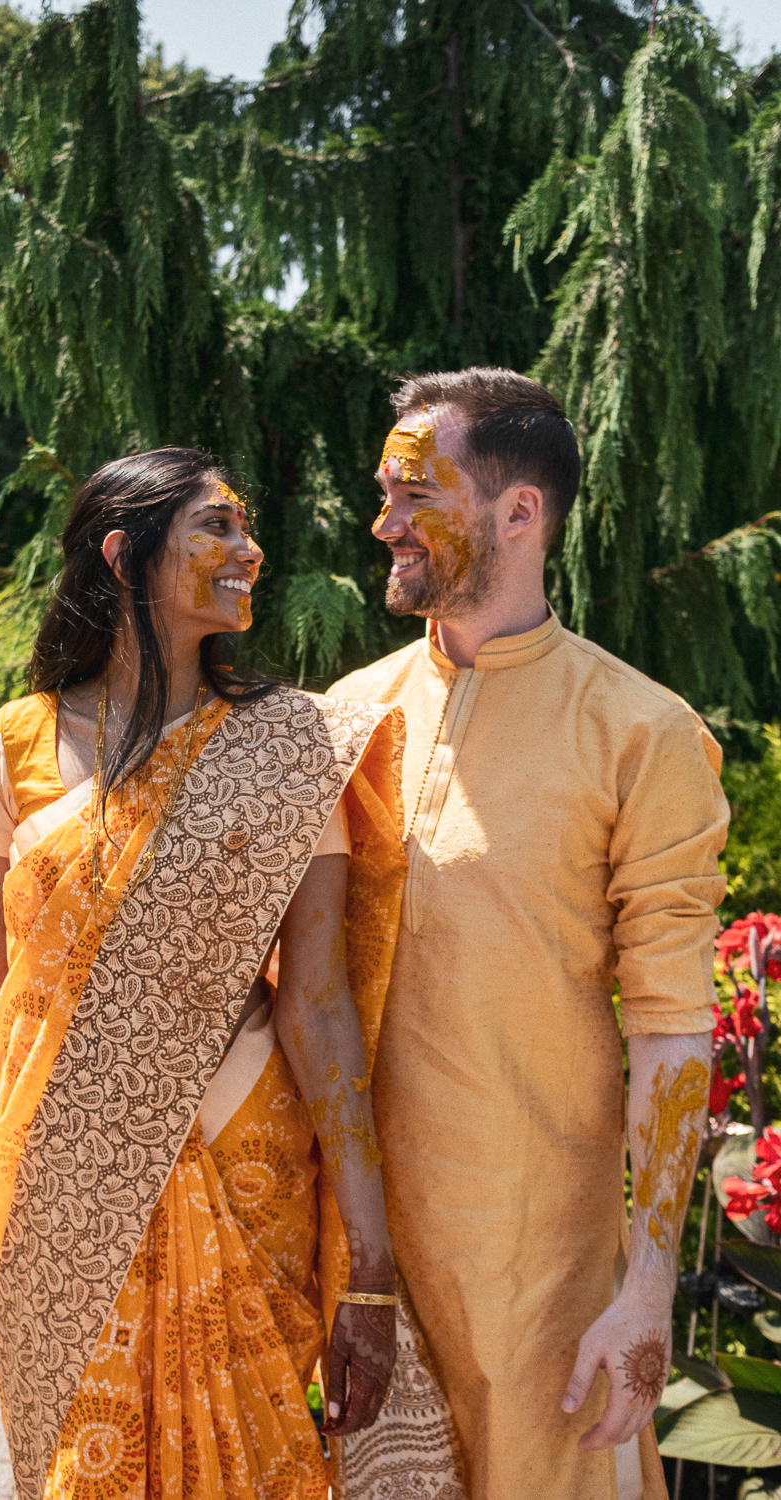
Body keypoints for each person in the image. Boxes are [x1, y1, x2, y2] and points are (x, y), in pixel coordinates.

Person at [0, 448, 408, 1500]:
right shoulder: (18, 744)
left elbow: (320, 1004)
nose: (250, 550)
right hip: (61, 1181)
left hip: (243, 1165)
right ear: (121, 551)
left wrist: (368, 1270)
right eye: (218, 526)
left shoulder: (291, 748)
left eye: (246, 528)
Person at [328, 371, 729, 1500]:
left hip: (540, 1283)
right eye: (383, 494)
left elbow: (671, 1028)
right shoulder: (343, 717)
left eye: (416, 495)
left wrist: (646, 1286)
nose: (384, 523)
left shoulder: (639, 734)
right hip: (354, 1268)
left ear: (519, 512)